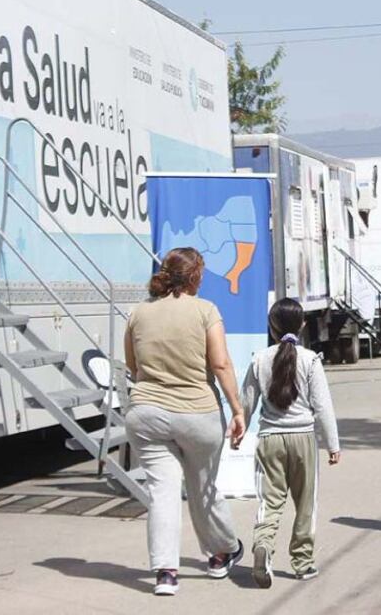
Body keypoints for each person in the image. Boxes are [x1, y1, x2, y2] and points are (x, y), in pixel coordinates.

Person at [123, 247, 245, 597]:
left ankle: (165, 573)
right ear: (196, 277)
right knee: (202, 486)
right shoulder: (206, 310)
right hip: (197, 414)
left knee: (162, 493)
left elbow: (133, 366)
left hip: (146, 414)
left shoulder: (138, 312)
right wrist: (237, 409)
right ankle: (221, 554)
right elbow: (220, 365)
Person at [242, 298, 341, 587]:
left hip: (269, 440)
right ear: (302, 325)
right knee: (305, 504)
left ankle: (263, 545)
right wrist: (333, 445)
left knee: (270, 502)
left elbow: (247, 402)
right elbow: (323, 406)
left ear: (271, 328)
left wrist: (236, 431)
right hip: (303, 439)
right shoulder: (310, 359)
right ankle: (302, 563)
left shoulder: (259, 359)